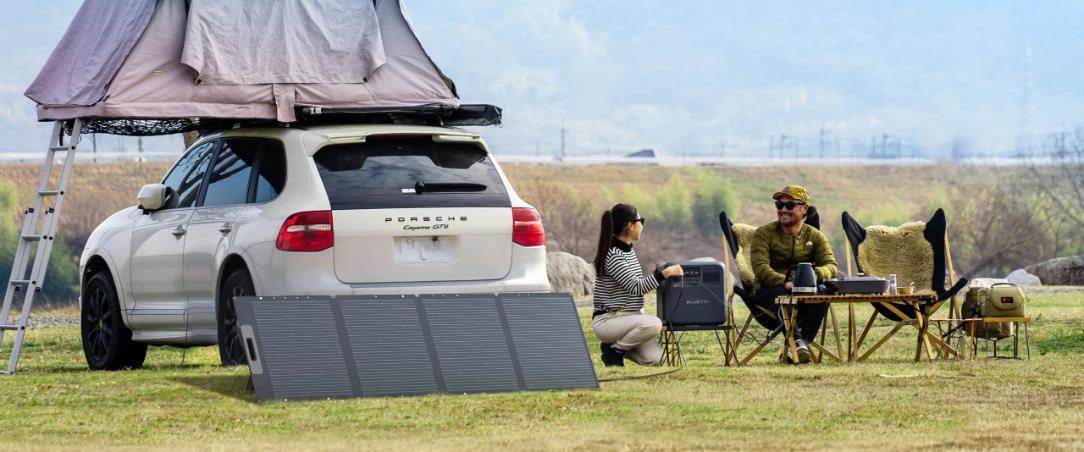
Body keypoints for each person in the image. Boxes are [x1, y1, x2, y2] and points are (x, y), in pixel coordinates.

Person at [749, 185, 838, 363]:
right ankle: (797, 342)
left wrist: (814, 276)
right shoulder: (763, 234)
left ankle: (798, 345)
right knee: (784, 295)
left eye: (789, 205)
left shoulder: (815, 236)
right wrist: (785, 282)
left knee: (825, 293)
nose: (783, 209)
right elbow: (760, 267)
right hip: (770, 291)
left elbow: (831, 265)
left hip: (806, 293)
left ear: (804, 209)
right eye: (779, 205)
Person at [591, 203, 683, 367]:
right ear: (630, 225)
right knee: (654, 324)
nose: (642, 226)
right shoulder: (614, 255)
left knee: (658, 359)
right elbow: (636, 287)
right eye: (641, 221)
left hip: (630, 319)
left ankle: (617, 346)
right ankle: (615, 351)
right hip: (610, 320)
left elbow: (632, 282)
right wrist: (664, 274)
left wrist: (657, 275)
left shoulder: (628, 250)